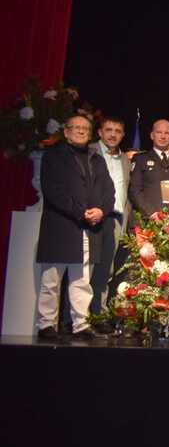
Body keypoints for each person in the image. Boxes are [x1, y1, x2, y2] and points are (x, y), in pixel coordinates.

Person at [35, 114, 115, 341]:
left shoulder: (96, 159)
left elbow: (109, 191)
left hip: (88, 228)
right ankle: (46, 324)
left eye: (85, 129)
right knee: (52, 279)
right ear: (66, 131)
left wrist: (101, 211)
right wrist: (80, 212)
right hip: (61, 226)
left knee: (81, 280)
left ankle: (81, 324)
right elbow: (53, 191)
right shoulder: (53, 156)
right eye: (76, 127)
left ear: (90, 134)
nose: (81, 131)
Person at [87, 115, 130, 318]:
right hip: (91, 217)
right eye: (109, 130)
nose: (113, 134)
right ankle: (75, 317)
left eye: (117, 131)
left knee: (106, 269)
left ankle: (99, 314)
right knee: (84, 270)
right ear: (100, 132)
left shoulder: (125, 159)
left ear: (122, 135)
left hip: (115, 219)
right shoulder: (89, 152)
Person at [129, 118, 169, 219]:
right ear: (152, 135)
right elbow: (134, 191)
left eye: (167, 133)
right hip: (146, 220)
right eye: (159, 132)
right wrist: (151, 213)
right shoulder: (140, 159)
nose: (163, 136)